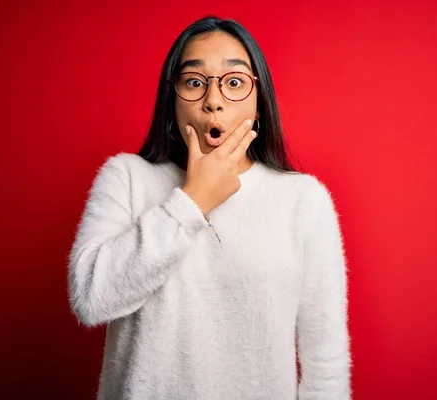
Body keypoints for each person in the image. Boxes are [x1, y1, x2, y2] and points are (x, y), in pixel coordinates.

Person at [67, 15, 351, 400]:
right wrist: (191, 200)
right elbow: (90, 299)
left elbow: (326, 362)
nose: (213, 101)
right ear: (172, 102)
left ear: (259, 101)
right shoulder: (127, 178)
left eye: (234, 82)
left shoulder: (303, 199)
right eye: (194, 82)